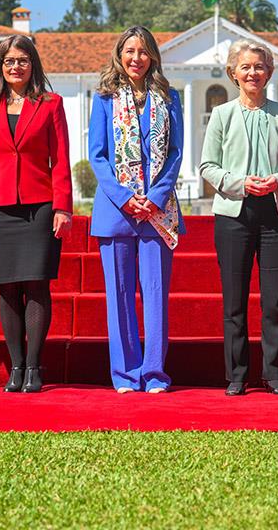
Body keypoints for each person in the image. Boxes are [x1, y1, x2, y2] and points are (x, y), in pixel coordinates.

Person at [199, 40, 278, 396]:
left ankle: (274, 373)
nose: (252, 73)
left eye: (259, 67)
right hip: (234, 213)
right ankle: (237, 375)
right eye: (245, 67)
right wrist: (241, 183)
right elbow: (208, 166)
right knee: (235, 299)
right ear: (233, 73)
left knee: (275, 298)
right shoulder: (222, 115)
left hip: (276, 212)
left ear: (269, 72)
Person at [0, 35, 73, 393]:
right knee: (8, 290)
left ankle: (34, 367)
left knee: (38, 286)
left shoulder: (50, 104)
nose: (16, 67)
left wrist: (63, 207)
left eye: (23, 61)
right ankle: (15, 367)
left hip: (40, 207)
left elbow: (60, 160)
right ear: (0, 65)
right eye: (9, 61)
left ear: (33, 65)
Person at [88, 26, 185, 394]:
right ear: (119, 54)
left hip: (158, 212)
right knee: (120, 295)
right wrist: (125, 196)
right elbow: (97, 155)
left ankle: (155, 373)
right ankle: (126, 374)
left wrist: (156, 196)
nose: (136, 58)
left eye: (143, 52)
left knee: (156, 294)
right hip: (117, 211)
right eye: (130, 51)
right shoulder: (105, 98)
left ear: (153, 57)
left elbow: (175, 152)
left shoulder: (168, 97)